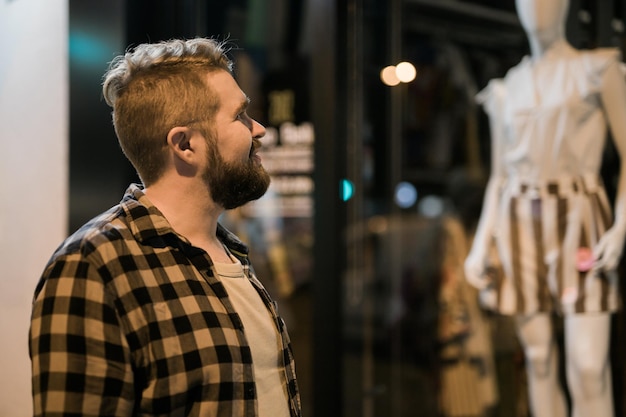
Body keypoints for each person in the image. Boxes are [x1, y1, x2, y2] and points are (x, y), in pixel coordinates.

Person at [29, 38, 301, 417]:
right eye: (240, 115)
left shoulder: (229, 252)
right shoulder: (93, 265)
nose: (259, 130)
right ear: (185, 144)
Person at [464, 0, 626, 416]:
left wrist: (622, 223)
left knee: (588, 367)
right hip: (520, 219)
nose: (538, 6)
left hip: (581, 217)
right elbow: (499, 176)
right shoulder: (506, 89)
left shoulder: (597, 70)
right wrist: (482, 243)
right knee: (538, 360)